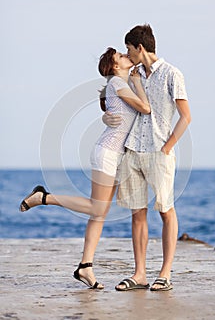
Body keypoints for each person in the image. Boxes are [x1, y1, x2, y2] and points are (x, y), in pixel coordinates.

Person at [19, 47, 150, 290]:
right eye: (120, 56)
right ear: (114, 67)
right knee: (97, 207)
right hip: (107, 153)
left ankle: (85, 267)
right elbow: (145, 108)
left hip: (117, 155)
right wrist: (137, 84)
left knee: (98, 214)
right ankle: (43, 197)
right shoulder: (116, 84)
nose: (125, 55)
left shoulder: (122, 85)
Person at [103, 24, 191, 291]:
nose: (128, 55)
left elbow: (186, 116)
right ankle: (139, 274)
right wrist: (105, 116)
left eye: (129, 49)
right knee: (137, 213)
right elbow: (114, 99)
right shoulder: (134, 74)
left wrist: (167, 147)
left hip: (159, 152)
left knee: (166, 210)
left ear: (140, 48)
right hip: (133, 151)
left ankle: (165, 274)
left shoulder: (172, 74)